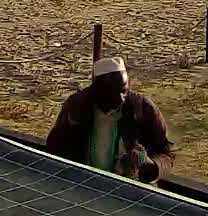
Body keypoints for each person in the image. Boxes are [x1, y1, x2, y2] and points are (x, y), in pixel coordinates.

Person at [45, 57, 174, 183]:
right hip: (82, 185)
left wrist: (150, 165)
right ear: (95, 90)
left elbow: (167, 155)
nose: (120, 98)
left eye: (123, 91)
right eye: (112, 93)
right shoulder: (76, 107)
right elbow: (54, 147)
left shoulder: (143, 109)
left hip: (130, 192)